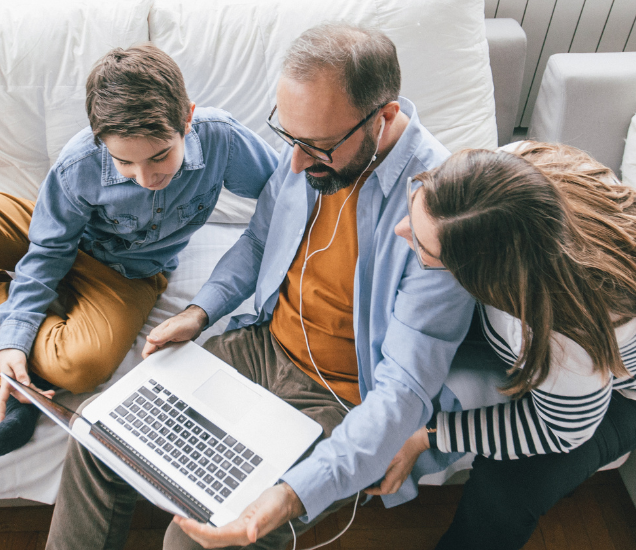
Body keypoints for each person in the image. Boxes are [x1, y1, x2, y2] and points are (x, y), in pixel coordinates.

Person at [43, 23, 474, 550]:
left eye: (314, 146)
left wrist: (292, 495)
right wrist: (200, 312)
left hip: (344, 400)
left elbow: (404, 392)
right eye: (287, 138)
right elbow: (259, 239)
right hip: (260, 346)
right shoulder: (309, 148)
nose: (291, 164)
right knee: (97, 437)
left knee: (193, 541)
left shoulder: (441, 212)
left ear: (383, 118)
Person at [0, 44, 278, 456]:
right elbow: (48, 249)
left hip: (129, 273)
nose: (145, 178)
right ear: (100, 141)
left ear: (187, 118)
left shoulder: (223, 140)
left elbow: (284, 203)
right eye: (125, 163)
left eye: (160, 156)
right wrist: (14, 338)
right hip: (54, 239)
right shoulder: (79, 164)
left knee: (80, 367)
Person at [371, 142, 636, 550]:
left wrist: (426, 435)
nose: (402, 230)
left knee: (506, 490)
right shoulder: (514, 170)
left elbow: (561, 430)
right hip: (542, 332)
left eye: (423, 245)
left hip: (624, 397)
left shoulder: (566, 339)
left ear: (486, 278)